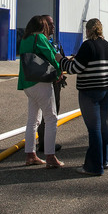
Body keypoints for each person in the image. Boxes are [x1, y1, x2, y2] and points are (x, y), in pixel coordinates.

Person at [61, 18, 108, 175]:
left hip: (90, 92)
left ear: (89, 30)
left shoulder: (87, 45)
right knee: (103, 126)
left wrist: (61, 60)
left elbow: (74, 68)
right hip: (107, 90)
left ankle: (94, 166)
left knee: (94, 129)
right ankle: (104, 160)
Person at [18, 15, 64, 168]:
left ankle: (30, 154)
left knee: (33, 120)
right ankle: (50, 156)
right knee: (51, 118)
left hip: (27, 84)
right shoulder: (40, 38)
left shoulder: (25, 39)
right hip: (41, 82)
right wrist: (60, 71)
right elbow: (52, 56)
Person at [37, 15, 65, 154]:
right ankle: (45, 144)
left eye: (53, 24)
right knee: (49, 114)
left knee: (52, 111)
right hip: (48, 81)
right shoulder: (41, 41)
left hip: (55, 81)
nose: (53, 26)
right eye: (50, 24)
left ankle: (44, 142)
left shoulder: (53, 42)